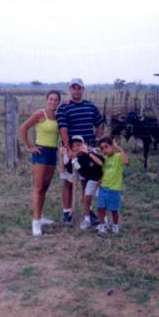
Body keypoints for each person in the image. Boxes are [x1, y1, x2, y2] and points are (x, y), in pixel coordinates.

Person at [56, 78, 104, 226]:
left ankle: (88, 212)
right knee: (68, 182)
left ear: (83, 90)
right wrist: (69, 149)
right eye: (74, 88)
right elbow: (63, 129)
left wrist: (95, 139)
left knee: (86, 181)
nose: (76, 91)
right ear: (70, 90)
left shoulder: (90, 106)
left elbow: (99, 122)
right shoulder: (64, 108)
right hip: (71, 149)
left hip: (87, 149)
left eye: (79, 88)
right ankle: (67, 213)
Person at [20, 90, 62, 236]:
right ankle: (35, 222)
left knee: (45, 187)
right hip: (41, 152)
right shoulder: (40, 114)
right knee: (38, 188)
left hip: (52, 153)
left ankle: (41, 216)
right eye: (51, 99)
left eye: (56, 100)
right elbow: (23, 128)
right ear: (46, 100)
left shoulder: (58, 115)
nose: (53, 102)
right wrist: (29, 147)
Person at [59, 135, 104, 230]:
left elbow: (101, 163)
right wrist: (62, 155)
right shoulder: (75, 160)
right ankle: (87, 219)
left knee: (102, 200)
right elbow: (65, 169)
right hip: (92, 180)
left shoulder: (90, 153)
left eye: (79, 145)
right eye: (74, 146)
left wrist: (88, 152)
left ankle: (104, 221)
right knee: (87, 198)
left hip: (102, 180)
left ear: (84, 145)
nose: (76, 148)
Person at [91, 136, 129, 235]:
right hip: (103, 188)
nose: (104, 150)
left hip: (114, 189)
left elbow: (126, 162)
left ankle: (115, 225)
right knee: (100, 208)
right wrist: (98, 185)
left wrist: (119, 148)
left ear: (112, 146)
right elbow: (104, 173)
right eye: (102, 148)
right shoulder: (104, 159)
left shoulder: (118, 156)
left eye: (106, 147)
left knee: (114, 210)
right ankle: (102, 225)